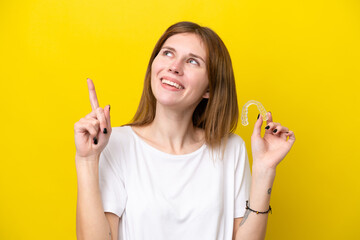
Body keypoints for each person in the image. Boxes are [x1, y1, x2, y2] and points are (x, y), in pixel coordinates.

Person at [74, 21, 296, 240]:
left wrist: (264, 170)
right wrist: (86, 161)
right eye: (168, 53)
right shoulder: (116, 144)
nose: (174, 66)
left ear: (210, 88)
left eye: (192, 61)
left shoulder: (230, 149)